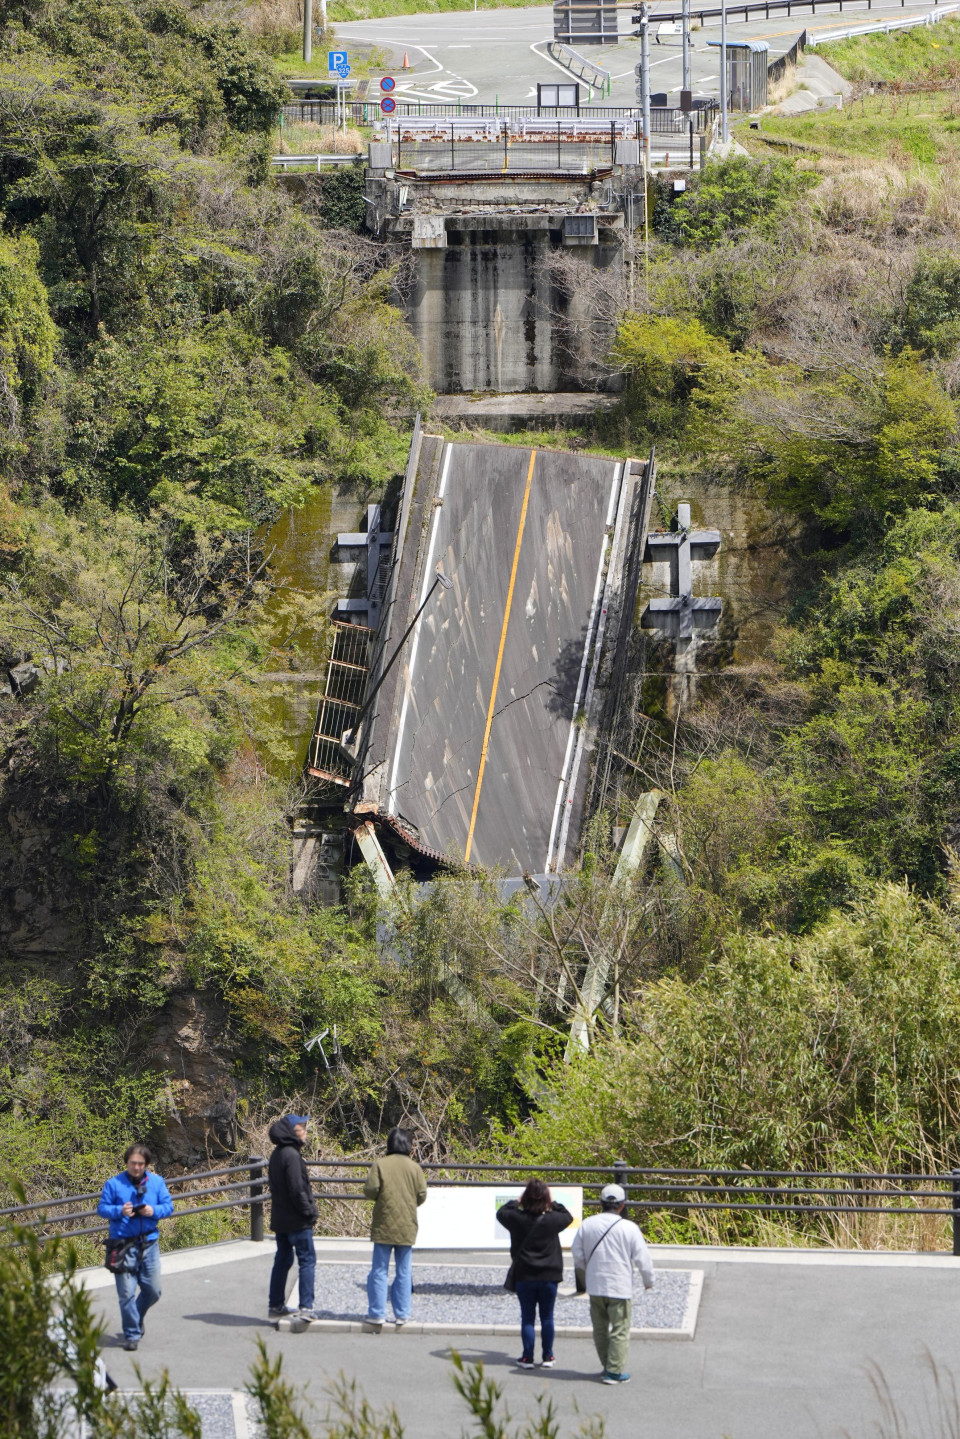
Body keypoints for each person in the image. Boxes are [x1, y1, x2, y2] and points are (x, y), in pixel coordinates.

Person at [571, 1182, 655, 1386]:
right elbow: (642, 1258)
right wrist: (648, 1280)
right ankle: (614, 1371)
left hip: (595, 1285)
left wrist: (587, 1270)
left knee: (600, 1328)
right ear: (622, 1205)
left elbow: (577, 1253)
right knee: (620, 1328)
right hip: (620, 1286)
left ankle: (607, 1365)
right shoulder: (629, 1228)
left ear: (600, 1203)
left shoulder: (588, 1224)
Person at [97, 1142, 173, 1352]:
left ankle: (137, 1317)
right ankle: (132, 1334)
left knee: (153, 1290)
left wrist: (153, 1211)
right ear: (127, 1163)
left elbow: (168, 1207)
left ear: (146, 1164)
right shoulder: (114, 1184)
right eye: (133, 1163)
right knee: (126, 1294)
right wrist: (119, 1211)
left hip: (149, 1243)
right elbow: (102, 1209)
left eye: (140, 1163)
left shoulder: (157, 1182)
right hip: (122, 1245)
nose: (136, 1167)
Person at [496, 1179, 573, 1370]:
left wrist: (517, 1200)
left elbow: (501, 1212)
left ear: (526, 1197)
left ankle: (527, 1357)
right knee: (547, 1317)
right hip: (549, 1274)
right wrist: (552, 1202)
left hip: (525, 1274)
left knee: (527, 1318)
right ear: (545, 1198)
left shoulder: (517, 1219)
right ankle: (548, 1355)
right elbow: (567, 1216)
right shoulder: (553, 1220)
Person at [362, 1127, 427, 1332]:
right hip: (407, 1224)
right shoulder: (414, 1168)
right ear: (409, 1145)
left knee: (379, 1270)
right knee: (404, 1271)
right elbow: (422, 1195)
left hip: (383, 1224)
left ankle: (377, 1313)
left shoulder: (380, 1165)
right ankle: (402, 1314)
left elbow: (370, 1190)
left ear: (389, 1144)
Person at [267, 1113, 319, 1321]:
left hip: (281, 1219)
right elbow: (298, 1189)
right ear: (292, 1132)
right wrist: (310, 1211)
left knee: (282, 1260)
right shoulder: (292, 1156)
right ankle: (306, 1307)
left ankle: (276, 1305)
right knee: (307, 1261)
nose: (305, 1131)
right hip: (297, 1220)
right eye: (301, 1128)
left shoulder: (277, 1154)